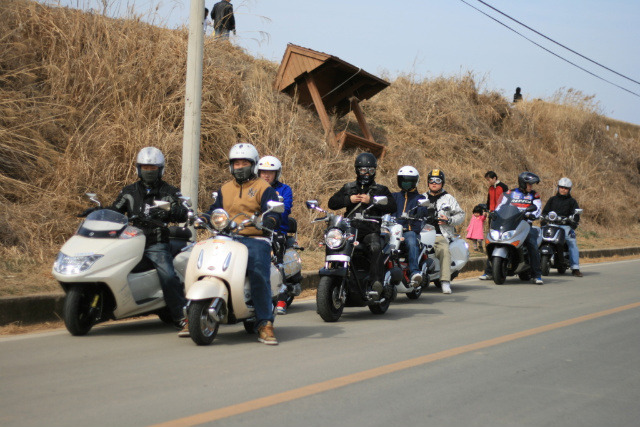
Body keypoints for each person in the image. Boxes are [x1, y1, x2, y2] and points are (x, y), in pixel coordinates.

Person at [207, 143, 281, 345]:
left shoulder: (264, 188)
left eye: (244, 163)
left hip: (255, 237)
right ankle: (193, 312)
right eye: (236, 163)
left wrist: (270, 220)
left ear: (254, 165)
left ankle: (265, 322)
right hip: (227, 237)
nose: (240, 166)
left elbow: (274, 212)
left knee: (258, 271)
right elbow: (214, 210)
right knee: (202, 260)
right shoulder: (225, 188)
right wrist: (204, 217)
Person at [110, 147, 189, 330]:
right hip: (129, 242)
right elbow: (115, 211)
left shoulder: (169, 191)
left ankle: (181, 316)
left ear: (160, 169)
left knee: (168, 276)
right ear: (138, 168)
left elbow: (183, 213)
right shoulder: (128, 191)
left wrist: (168, 210)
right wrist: (98, 212)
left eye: (152, 168)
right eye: (145, 167)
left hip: (156, 243)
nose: (148, 171)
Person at [328, 152, 397, 300]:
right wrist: (348, 199)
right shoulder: (348, 187)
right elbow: (332, 203)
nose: (366, 173)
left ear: (375, 171)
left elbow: (392, 206)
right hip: (350, 229)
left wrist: (371, 200)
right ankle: (332, 282)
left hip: (370, 230)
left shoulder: (380, 189)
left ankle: (376, 282)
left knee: (375, 246)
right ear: (357, 170)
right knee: (334, 245)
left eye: (370, 170)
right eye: (363, 170)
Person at [480, 172, 544, 284]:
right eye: (529, 184)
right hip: (508, 223)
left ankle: (536, 275)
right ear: (523, 183)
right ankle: (489, 271)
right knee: (493, 241)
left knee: (532, 244)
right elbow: (500, 206)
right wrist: (494, 213)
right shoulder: (510, 193)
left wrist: (533, 214)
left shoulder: (534, 195)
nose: (531, 186)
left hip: (525, 224)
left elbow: (538, 208)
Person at [258, 156, 294, 314]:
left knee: (277, 258)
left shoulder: (284, 189)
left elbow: (285, 209)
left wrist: (272, 219)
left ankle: (281, 298)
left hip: (277, 230)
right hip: (254, 229)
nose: (266, 175)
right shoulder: (253, 188)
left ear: (276, 173)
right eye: (263, 172)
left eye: (270, 172)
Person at [423, 169, 465, 294]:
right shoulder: (422, 198)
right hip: (422, 233)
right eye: (431, 180)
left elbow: (461, 215)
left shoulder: (449, 198)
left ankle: (445, 281)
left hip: (439, 234)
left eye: (437, 180)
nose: (434, 183)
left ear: (442, 182)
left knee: (444, 250)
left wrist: (449, 220)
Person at [391, 166, 426, 287]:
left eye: (409, 181)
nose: (406, 183)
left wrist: (420, 212)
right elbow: (385, 207)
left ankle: (414, 272)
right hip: (392, 231)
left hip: (409, 231)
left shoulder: (420, 198)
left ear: (415, 181)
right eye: (403, 180)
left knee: (411, 241)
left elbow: (423, 210)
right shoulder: (394, 196)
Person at [542, 177, 583, 277]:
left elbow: (576, 215)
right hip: (552, 225)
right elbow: (545, 212)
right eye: (561, 187)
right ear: (558, 188)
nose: (563, 189)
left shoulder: (572, 201)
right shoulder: (552, 200)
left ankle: (575, 268)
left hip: (565, 226)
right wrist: (543, 219)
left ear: (569, 190)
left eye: (566, 188)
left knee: (572, 243)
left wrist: (573, 222)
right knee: (539, 240)